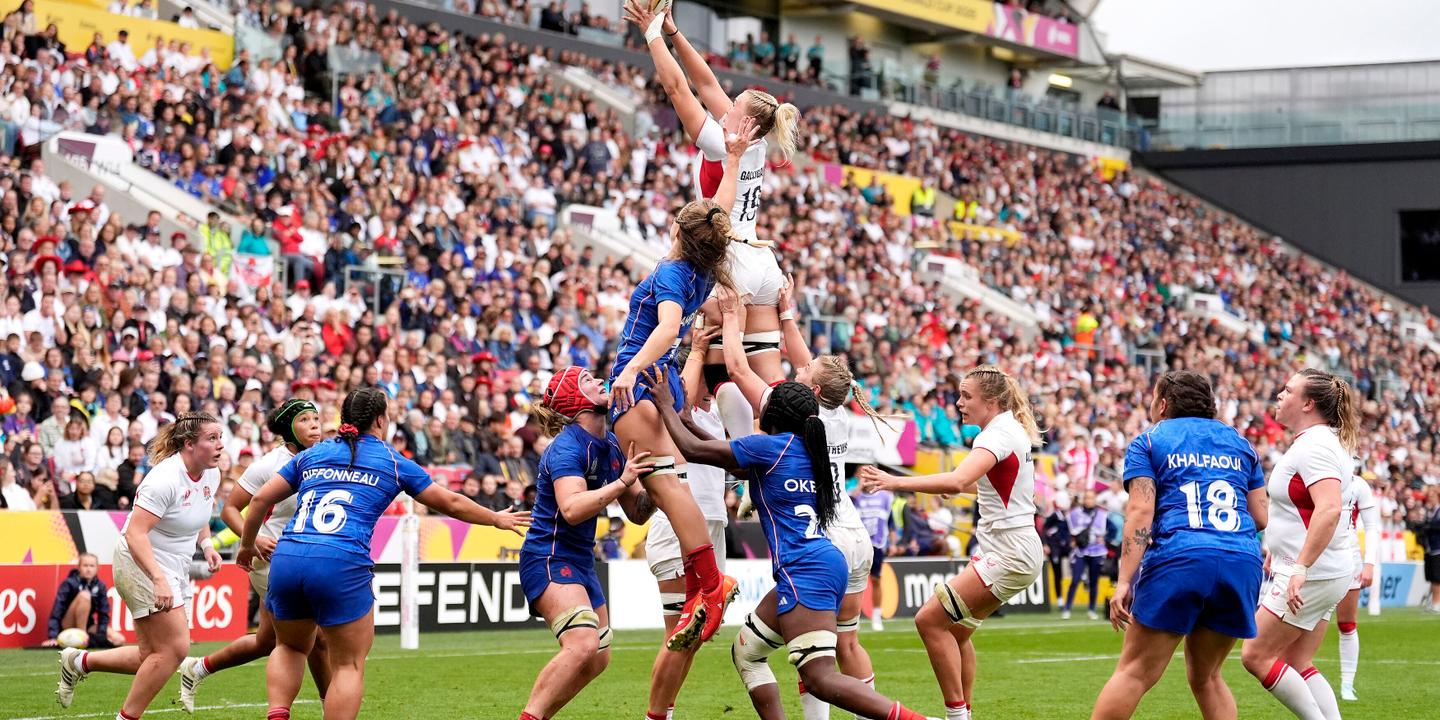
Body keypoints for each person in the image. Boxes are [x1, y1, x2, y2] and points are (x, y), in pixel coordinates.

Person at [646, 368, 936, 720]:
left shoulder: (767, 447)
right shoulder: (804, 449)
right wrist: (689, 420)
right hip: (821, 561)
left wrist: (664, 406)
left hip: (804, 568)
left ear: (773, 415)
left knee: (821, 678)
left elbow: (694, 450)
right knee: (747, 653)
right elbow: (718, 453)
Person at [237, 387, 531, 720]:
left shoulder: (312, 455)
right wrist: (496, 518)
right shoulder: (391, 460)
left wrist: (247, 547)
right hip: (339, 562)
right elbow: (450, 501)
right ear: (381, 419)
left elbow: (259, 501)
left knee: (289, 646)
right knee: (347, 663)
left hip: (289, 557)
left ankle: (277, 713)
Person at [604, 127, 751, 651]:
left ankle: (710, 586)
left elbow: (667, 328)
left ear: (675, 230)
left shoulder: (671, 273)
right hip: (661, 377)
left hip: (640, 377)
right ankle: (708, 586)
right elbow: (722, 213)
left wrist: (627, 372)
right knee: (664, 485)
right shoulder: (704, 269)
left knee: (665, 486)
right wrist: (732, 159)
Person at [713, 287, 888, 719]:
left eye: (804, 368)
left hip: (819, 538)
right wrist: (786, 312)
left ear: (811, 385)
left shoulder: (792, 411)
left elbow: (737, 366)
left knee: (810, 657)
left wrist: (733, 315)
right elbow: (812, 365)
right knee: (844, 644)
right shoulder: (838, 415)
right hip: (854, 538)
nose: (798, 364)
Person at [623, 0, 801, 386]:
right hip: (762, 262)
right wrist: (673, 30)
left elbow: (677, 88)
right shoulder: (754, 142)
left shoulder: (723, 143)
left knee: (714, 376)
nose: (728, 101)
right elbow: (706, 84)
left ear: (747, 118)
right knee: (769, 376)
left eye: (735, 103)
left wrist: (652, 33)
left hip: (729, 262)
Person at [859, 366, 1045, 720]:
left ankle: (956, 715)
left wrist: (892, 482)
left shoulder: (994, 435)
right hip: (1013, 548)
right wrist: (965, 486)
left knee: (929, 621)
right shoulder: (1008, 429)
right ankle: (964, 713)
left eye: (966, 396)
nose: (958, 403)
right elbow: (992, 484)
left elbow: (960, 478)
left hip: (1010, 551)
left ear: (990, 401)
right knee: (957, 632)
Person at [1089, 371, 1268, 720]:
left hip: (1182, 557)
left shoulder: (1151, 441)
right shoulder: (1240, 443)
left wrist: (1124, 581)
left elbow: (1141, 512)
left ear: (1164, 403)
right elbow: (1260, 516)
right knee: (1208, 676)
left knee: (1135, 672)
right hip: (1240, 559)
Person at [55, 413, 226, 720]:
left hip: (173, 565)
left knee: (152, 656)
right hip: (140, 561)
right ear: (189, 444)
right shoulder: (164, 479)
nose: (220, 445)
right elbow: (135, 534)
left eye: (220, 437)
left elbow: (199, 514)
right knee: (175, 649)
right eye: (211, 438)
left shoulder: (210, 473)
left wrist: (208, 545)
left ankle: (78, 662)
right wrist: (158, 580)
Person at [517, 367, 657, 720]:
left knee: (599, 655)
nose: (600, 381)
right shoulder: (566, 447)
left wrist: (663, 475)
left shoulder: (611, 444)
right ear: (575, 401)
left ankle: (539, 716)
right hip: (548, 555)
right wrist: (622, 481)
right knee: (582, 643)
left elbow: (638, 513)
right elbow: (572, 508)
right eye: (589, 381)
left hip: (580, 560)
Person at [175, 400, 331, 712]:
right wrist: (255, 538)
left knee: (266, 641)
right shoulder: (268, 465)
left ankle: (198, 668)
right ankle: (334, 706)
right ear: (288, 429)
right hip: (272, 558)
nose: (315, 425)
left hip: (304, 556)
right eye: (305, 420)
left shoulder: (323, 457)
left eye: (316, 418)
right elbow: (230, 509)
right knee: (315, 638)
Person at [1240, 368, 1358, 720]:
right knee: (1297, 660)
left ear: (1307, 403)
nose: (1280, 394)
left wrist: (1301, 566)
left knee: (1255, 655)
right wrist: (1278, 550)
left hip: (1314, 572)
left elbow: (1329, 508)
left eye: (1287, 390)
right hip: (1324, 569)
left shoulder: (1315, 446)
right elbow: (1302, 509)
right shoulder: (1321, 442)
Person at [642, 327, 732, 720]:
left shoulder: (715, 411)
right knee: (679, 633)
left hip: (710, 524)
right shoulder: (680, 411)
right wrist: (696, 348)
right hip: (678, 526)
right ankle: (656, 716)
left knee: (692, 637)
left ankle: (665, 713)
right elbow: (678, 408)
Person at [1336, 474, 1380, 701]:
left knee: (1347, 623)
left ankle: (1347, 683)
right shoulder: (1313, 472)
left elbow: (1372, 527)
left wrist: (1369, 563)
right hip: (1314, 556)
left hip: (1348, 557)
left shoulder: (1358, 484)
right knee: (1305, 623)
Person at [43, 553, 126, 649]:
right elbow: (57, 611)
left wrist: (101, 635)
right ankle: (82, 638)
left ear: (98, 568)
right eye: (85, 565)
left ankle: (85, 639)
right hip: (67, 625)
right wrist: (53, 636)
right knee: (84, 595)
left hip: (88, 625)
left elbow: (104, 614)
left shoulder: (100, 586)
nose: (88, 569)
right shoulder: (69, 583)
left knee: (119, 639)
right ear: (78, 567)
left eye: (92, 566)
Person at [1064, 490, 1107, 620]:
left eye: (1091, 498)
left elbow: (1112, 529)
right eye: (1087, 498)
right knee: (1075, 579)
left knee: (1094, 581)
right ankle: (1067, 608)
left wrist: (1105, 539)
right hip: (1080, 550)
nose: (1089, 500)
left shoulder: (1102, 514)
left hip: (1097, 550)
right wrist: (1071, 540)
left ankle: (1091, 609)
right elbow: (1068, 530)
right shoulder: (1075, 513)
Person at [1041, 501, 1072, 608]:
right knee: (1057, 573)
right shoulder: (1054, 516)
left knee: (1077, 563)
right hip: (1055, 548)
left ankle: (1084, 577)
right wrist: (1045, 544)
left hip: (1067, 547)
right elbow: (1044, 529)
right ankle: (1059, 598)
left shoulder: (1071, 515)